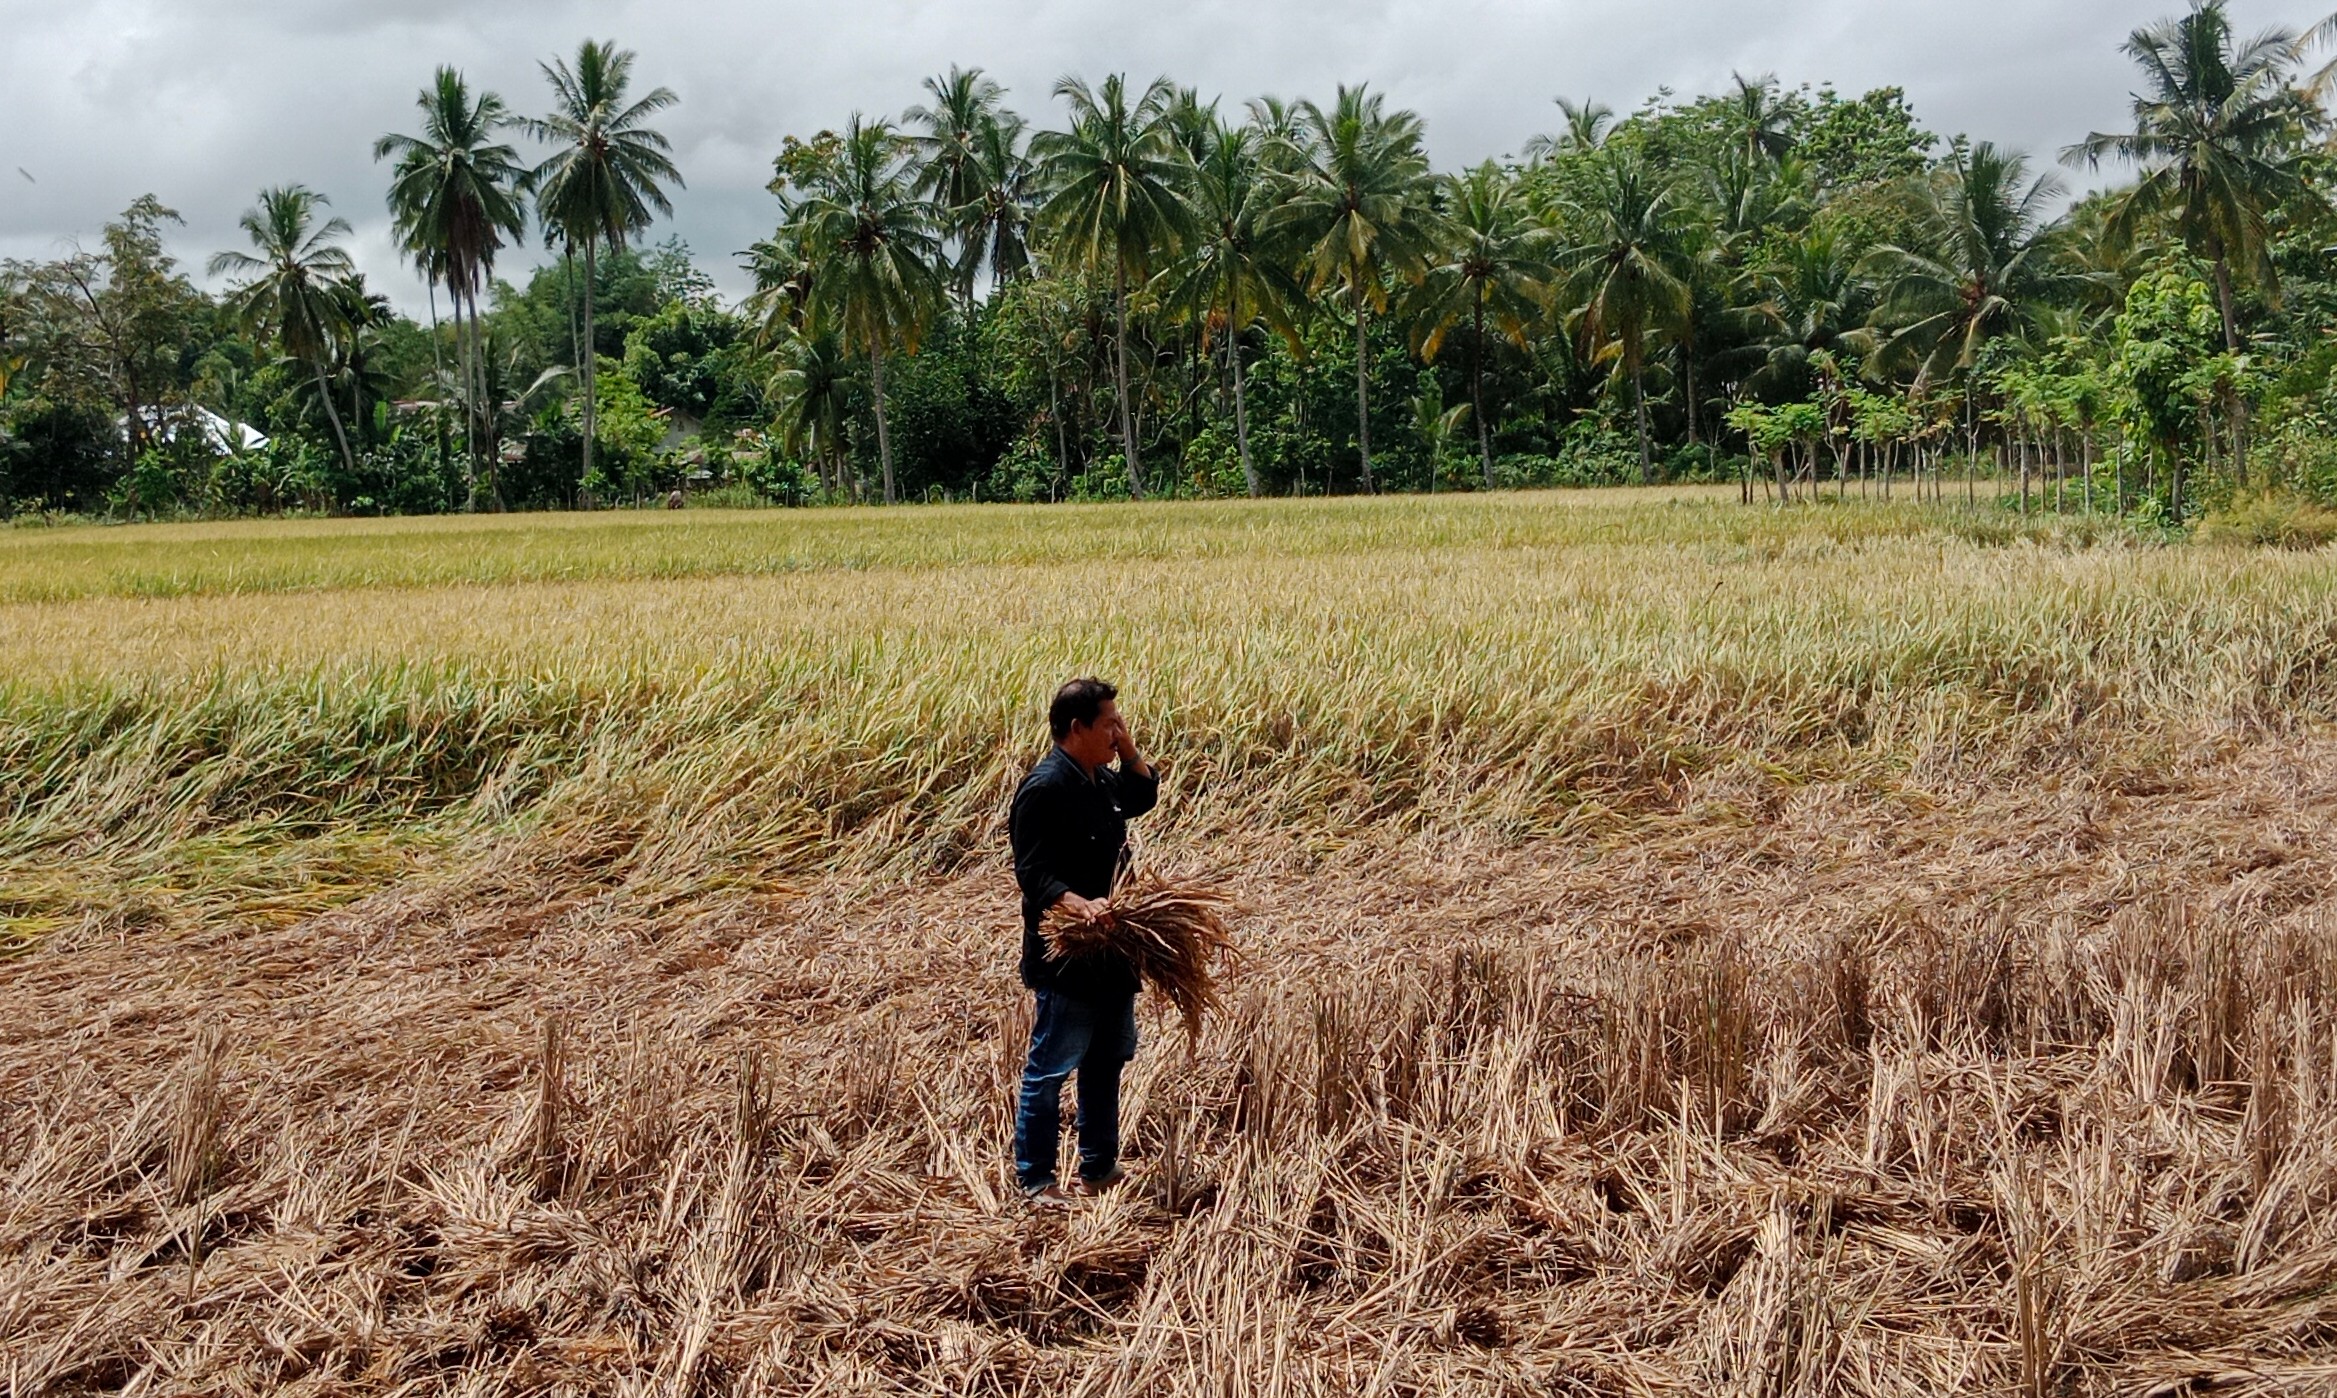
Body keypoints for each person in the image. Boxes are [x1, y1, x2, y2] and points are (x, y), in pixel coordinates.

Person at [1009, 677, 1160, 1205]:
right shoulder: (1046, 787)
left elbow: (1142, 793)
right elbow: (1034, 873)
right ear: (1078, 728)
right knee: (1051, 1068)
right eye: (1108, 724)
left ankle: (1097, 1168)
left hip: (1112, 953)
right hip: (1069, 954)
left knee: (1106, 1061)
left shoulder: (1098, 779)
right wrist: (1080, 905)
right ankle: (1035, 1180)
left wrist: (1129, 747)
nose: (1116, 732)